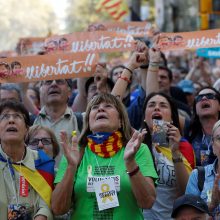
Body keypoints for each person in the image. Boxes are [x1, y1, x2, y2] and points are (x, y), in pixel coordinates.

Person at [52, 93, 158, 219]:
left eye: (108, 106)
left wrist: (130, 163)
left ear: (120, 121)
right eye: (95, 107)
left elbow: (147, 202)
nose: (101, 109)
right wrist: (71, 167)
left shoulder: (138, 150)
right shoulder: (74, 152)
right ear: (89, 123)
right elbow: (58, 209)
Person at [142, 92, 195, 220]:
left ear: (171, 118)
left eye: (163, 105)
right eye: (151, 105)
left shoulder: (183, 146)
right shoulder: (133, 144)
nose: (157, 108)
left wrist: (175, 151)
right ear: (144, 117)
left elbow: (187, 193)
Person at [0, 100, 54, 219]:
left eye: (17, 116)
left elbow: (46, 204)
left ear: (26, 129)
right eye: (5, 116)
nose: (11, 120)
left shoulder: (42, 161)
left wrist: (42, 216)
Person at [34, 79, 80, 165]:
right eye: (48, 82)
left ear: (70, 92)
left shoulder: (81, 120)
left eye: (59, 81)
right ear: (40, 91)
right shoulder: (29, 122)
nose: (54, 84)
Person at [186, 120, 220, 218]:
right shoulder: (198, 176)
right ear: (213, 146)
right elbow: (188, 217)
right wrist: (211, 205)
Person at [186, 87, 220, 166]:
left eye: (210, 96)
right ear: (195, 109)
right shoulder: (188, 132)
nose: (204, 98)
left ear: (219, 106)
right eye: (199, 98)